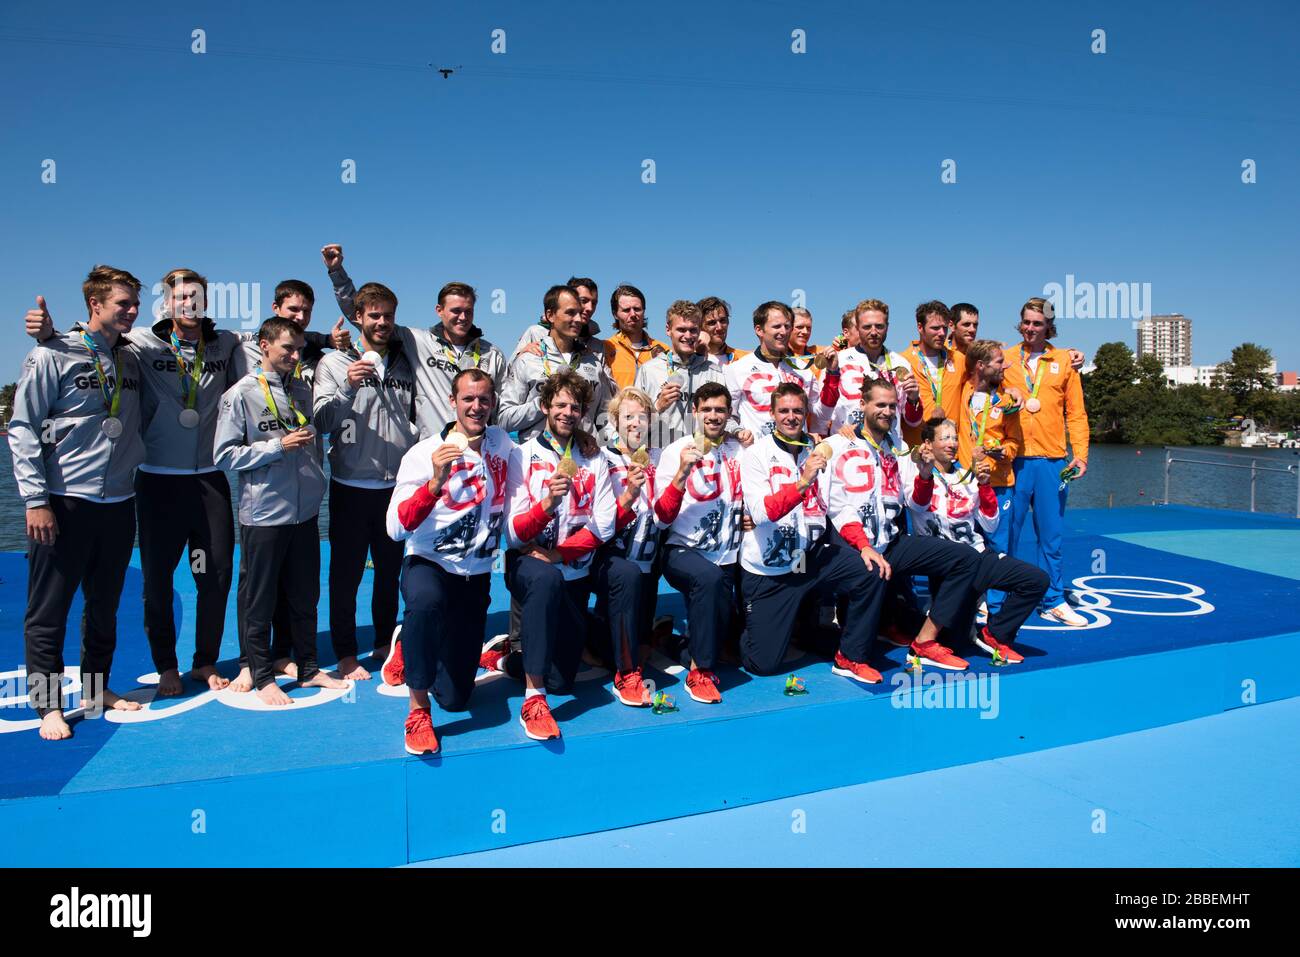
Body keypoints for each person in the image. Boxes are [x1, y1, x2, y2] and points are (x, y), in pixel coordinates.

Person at [23, 267, 246, 697]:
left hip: (206, 482)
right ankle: (164, 666)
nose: (190, 306)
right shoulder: (138, 344)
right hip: (153, 483)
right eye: (181, 298)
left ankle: (202, 662)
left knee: (213, 576)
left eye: (198, 298)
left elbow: (285, 342)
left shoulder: (227, 342)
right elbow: (86, 339)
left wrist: (337, 341)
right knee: (155, 580)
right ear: (168, 304)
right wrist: (46, 333)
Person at [10, 266, 148, 739]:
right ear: (94, 304)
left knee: (104, 605)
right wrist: (35, 499)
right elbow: (23, 427)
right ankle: (47, 706)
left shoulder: (131, 357)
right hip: (64, 501)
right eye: (122, 304)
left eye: (134, 304)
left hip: (118, 501)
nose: (132, 311)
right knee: (49, 608)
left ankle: (95, 689)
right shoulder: (52, 353)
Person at [214, 317, 348, 703]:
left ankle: (307, 668)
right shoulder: (241, 394)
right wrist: (276, 447)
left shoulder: (302, 389)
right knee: (261, 599)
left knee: (305, 596)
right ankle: (261, 675)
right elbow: (223, 455)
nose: (293, 355)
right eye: (286, 348)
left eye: (298, 349)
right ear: (264, 346)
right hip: (265, 515)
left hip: (304, 513)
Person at [385, 369, 514, 754]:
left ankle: (410, 643)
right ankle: (418, 710)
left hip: (475, 576)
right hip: (429, 565)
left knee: (457, 700)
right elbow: (395, 528)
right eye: (468, 399)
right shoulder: (423, 453)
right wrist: (434, 483)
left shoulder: (503, 444)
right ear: (452, 402)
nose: (476, 407)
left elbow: (538, 459)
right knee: (425, 603)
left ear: (493, 403)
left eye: (484, 399)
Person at [821, 378, 980, 670]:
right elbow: (836, 506)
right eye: (880, 404)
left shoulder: (900, 447)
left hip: (891, 542)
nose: (887, 411)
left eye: (892, 405)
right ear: (862, 405)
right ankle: (848, 658)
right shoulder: (838, 444)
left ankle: (925, 641)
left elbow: (917, 503)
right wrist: (864, 546)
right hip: (856, 546)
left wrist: (925, 473)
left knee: (967, 558)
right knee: (869, 576)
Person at [498, 369, 617, 740]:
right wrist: (547, 504)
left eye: (575, 406)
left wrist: (560, 555)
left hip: (570, 569)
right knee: (544, 581)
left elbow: (605, 525)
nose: (567, 411)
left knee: (563, 681)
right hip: (528, 566)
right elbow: (513, 533)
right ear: (544, 406)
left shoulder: (592, 457)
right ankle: (533, 699)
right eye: (560, 404)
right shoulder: (523, 454)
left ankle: (512, 657)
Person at [738, 383, 884, 680]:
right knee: (762, 665)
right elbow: (761, 513)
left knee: (870, 570)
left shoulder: (818, 452)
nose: (791, 417)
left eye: (797, 411)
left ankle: (850, 656)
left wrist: (864, 545)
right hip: (769, 571)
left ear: (806, 414)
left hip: (807, 560)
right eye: (784, 411)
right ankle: (735, 632)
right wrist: (802, 483)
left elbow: (839, 507)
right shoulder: (756, 455)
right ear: (772, 414)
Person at [312, 281, 420, 679]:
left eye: (388, 315)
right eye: (373, 315)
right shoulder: (334, 364)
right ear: (358, 317)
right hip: (351, 486)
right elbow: (322, 421)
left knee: (391, 573)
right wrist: (347, 386)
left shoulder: (406, 362)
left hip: (395, 487)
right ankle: (344, 653)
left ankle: (383, 643)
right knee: (346, 574)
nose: (382, 322)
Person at [899, 416, 1047, 663]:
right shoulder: (916, 474)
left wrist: (985, 485)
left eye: (955, 438)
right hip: (946, 566)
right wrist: (925, 473)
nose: (952, 443)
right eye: (944, 438)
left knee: (1036, 580)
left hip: (976, 556)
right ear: (928, 443)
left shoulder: (967, 477)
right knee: (953, 643)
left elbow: (990, 524)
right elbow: (917, 503)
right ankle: (941, 629)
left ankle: (995, 634)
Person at [322, 245, 507, 440]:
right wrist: (337, 273)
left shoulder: (492, 353)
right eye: (456, 311)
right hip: (432, 450)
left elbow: (502, 409)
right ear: (439, 310)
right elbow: (364, 314)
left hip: (476, 450)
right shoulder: (416, 340)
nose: (463, 317)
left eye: (468, 311)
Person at [654, 382, 746, 703]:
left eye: (720, 409)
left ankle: (671, 643)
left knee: (744, 653)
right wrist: (682, 472)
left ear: (729, 413)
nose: (713, 415)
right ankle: (699, 672)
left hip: (732, 556)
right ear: (694, 411)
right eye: (706, 409)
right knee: (708, 578)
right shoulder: (673, 450)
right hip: (684, 552)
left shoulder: (740, 448)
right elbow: (662, 518)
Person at [1001, 298, 1090, 627]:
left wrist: (1080, 453)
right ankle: (1000, 593)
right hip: (1014, 460)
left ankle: (1052, 598)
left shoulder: (1065, 361)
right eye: (1026, 322)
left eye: (1037, 323)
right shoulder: (1006, 358)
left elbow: (1076, 414)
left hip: (1053, 461)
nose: (1030, 328)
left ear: (1048, 326)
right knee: (1007, 534)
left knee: (1050, 535)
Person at [957, 338, 1023, 617]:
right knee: (967, 544)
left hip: (997, 483)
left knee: (997, 546)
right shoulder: (962, 392)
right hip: (964, 483)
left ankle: (995, 608)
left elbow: (1015, 442)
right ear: (981, 366)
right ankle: (968, 600)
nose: (1003, 367)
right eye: (998, 362)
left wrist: (1002, 452)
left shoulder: (1007, 402)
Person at [498, 285, 615, 441]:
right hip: (540, 460)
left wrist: (611, 447)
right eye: (570, 313)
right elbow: (504, 420)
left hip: (584, 459)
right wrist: (543, 403)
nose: (579, 319)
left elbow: (606, 419)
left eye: (580, 313)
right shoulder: (529, 360)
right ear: (550, 315)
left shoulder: (593, 363)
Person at [725, 301, 840, 439]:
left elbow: (822, 414)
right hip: (757, 455)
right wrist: (738, 432)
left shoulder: (802, 369)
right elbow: (728, 418)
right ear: (759, 330)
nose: (783, 332)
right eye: (777, 326)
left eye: (787, 326)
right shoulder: (737, 369)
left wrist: (832, 373)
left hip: (797, 456)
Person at [634, 299, 729, 447]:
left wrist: (736, 431)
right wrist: (658, 406)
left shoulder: (713, 371)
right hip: (660, 455)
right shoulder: (649, 370)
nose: (688, 336)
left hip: (702, 458)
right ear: (668, 329)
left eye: (693, 330)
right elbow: (633, 422)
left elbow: (726, 417)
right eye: (681, 330)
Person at [830, 298, 921, 438]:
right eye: (867, 327)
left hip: (889, 450)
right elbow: (821, 415)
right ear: (858, 327)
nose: (873, 332)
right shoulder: (838, 361)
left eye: (879, 326)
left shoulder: (901, 363)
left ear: (887, 327)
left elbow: (913, 422)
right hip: (848, 447)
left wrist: (913, 399)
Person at [509, 276, 604, 364]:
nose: (590, 308)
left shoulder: (597, 346)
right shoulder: (535, 333)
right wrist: (522, 354)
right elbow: (510, 373)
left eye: (594, 303)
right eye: (583, 301)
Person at [903, 300, 964, 432]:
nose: (942, 333)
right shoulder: (902, 361)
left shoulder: (959, 360)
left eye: (945, 328)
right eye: (935, 328)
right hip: (917, 446)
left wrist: (1010, 390)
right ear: (920, 327)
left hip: (950, 446)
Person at [602, 284, 667, 389]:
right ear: (615, 314)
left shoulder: (664, 350)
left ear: (644, 311)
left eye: (637, 309)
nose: (633, 314)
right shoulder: (604, 348)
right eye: (626, 310)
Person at [695, 296, 749, 367]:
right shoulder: (689, 359)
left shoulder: (745, 359)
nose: (719, 328)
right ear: (699, 327)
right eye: (712, 323)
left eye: (723, 320)